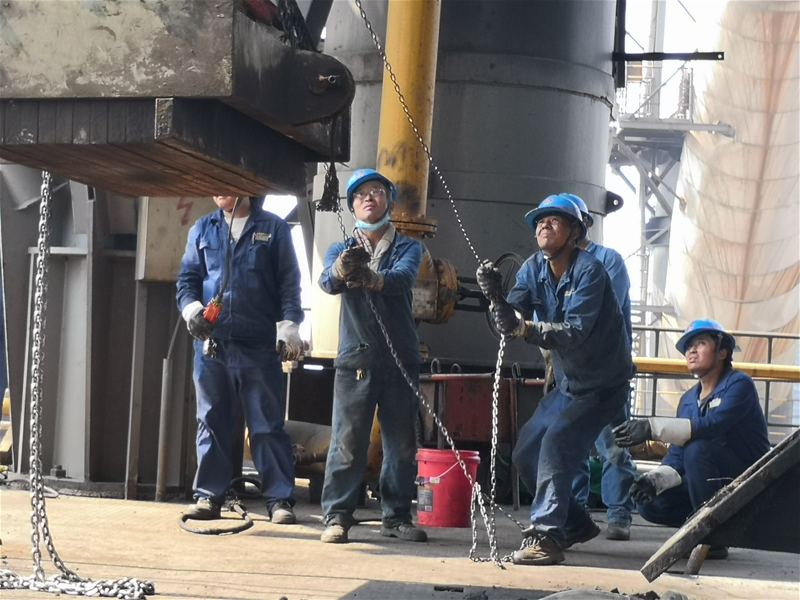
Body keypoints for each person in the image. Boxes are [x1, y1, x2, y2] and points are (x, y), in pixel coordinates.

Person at [476, 194, 634, 566]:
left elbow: (575, 331)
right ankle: (575, 523)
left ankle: (546, 536)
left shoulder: (591, 271)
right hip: (568, 385)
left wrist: (524, 327)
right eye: (540, 222)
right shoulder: (534, 268)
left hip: (602, 387)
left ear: (576, 232)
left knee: (557, 442)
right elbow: (510, 318)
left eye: (555, 220)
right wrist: (495, 298)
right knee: (526, 452)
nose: (544, 225)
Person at [176, 195, 305, 524]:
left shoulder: (273, 228)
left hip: (258, 344)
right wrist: (192, 311)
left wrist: (289, 325)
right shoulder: (203, 228)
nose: (220, 191)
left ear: (246, 187)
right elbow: (187, 280)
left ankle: (279, 499)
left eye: (228, 183)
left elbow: (289, 283)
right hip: (213, 345)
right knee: (212, 421)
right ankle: (209, 496)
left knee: (266, 424)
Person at [318, 169, 427, 544]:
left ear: (389, 202)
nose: (368, 197)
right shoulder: (340, 249)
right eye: (360, 194)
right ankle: (337, 516)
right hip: (356, 361)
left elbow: (403, 278)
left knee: (402, 446)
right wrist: (341, 268)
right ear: (352, 206)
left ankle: (396, 517)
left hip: (400, 361)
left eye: (377, 191)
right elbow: (328, 281)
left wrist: (373, 278)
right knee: (348, 444)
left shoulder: (409, 247)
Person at [613, 319, 771, 559]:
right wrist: (654, 480)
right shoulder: (688, 400)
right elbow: (677, 454)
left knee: (698, 449)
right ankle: (699, 529)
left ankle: (712, 540)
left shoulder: (739, 385)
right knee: (650, 503)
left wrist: (653, 427)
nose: (692, 351)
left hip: (746, 481)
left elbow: (713, 425)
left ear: (722, 352)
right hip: (708, 482)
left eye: (701, 343)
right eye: (688, 346)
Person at [565, 194, 637, 542]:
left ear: (581, 226)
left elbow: (602, 313)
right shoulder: (552, 265)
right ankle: (575, 512)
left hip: (607, 370)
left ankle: (619, 512)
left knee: (614, 442)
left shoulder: (608, 261)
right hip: (569, 371)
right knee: (571, 445)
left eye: (561, 222)